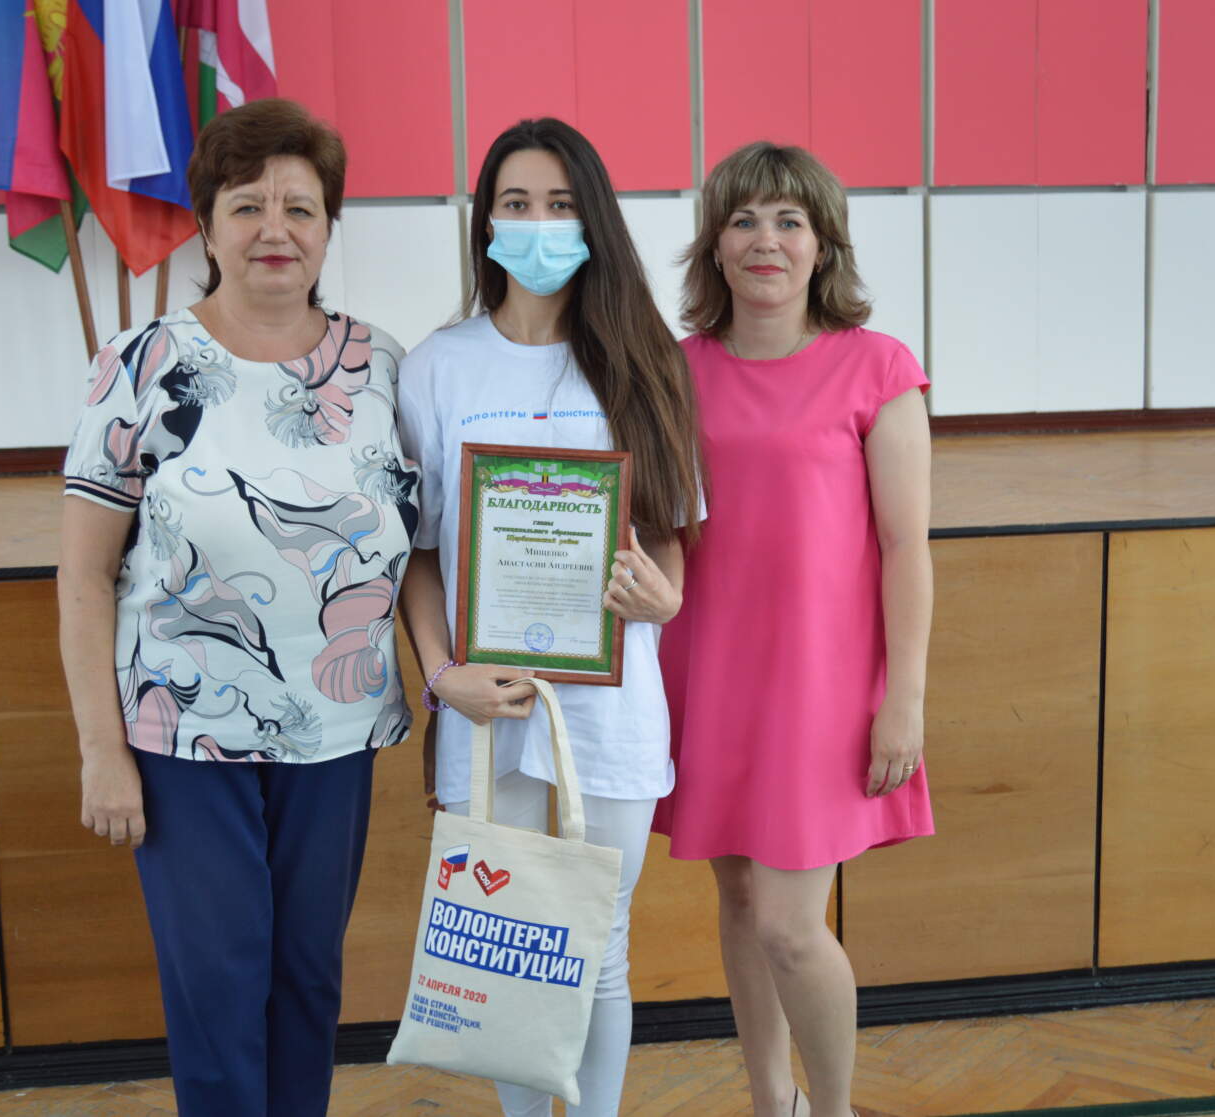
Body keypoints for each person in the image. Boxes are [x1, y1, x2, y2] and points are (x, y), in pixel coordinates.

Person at [56, 99, 418, 1117]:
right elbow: (82, 576)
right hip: (184, 737)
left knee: (306, 981)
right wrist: (101, 750)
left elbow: (421, 545)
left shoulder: (381, 366)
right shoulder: (141, 364)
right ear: (206, 226)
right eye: (247, 205)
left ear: (329, 227)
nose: (275, 230)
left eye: (300, 208)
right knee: (217, 988)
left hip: (337, 733)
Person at [395, 117, 703, 1117]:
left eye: (561, 205)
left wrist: (666, 596)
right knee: (505, 955)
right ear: (486, 222)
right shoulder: (438, 366)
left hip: (607, 712)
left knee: (600, 948)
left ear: (594, 220)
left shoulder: (646, 360)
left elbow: (669, 535)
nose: (538, 223)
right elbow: (420, 553)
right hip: (486, 711)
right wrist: (442, 675)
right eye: (517, 203)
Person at [653, 141, 935, 1117]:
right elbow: (658, 521)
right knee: (737, 900)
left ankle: (835, 1107)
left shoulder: (877, 366)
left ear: (823, 245)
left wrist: (905, 700)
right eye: (743, 220)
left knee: (787, 923)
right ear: (715, 245)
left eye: (788, 221)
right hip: (708, 672)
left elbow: (905, 547)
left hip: (821, 685)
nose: (764, 240)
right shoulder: (677, 369)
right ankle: (774, 1102)